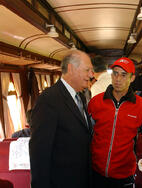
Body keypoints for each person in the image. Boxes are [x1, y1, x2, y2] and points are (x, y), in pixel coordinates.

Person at [29, 50, 94, 188]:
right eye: (87, 70)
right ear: (71, 68)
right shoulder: (49, 99)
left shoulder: (81, 97)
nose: (91, 75)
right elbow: (39, 152)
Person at [88, 57, 142, 188]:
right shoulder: (95, 103)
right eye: (115, 73)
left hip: (125, 175)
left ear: (132, 78)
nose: (118, 79)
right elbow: (86, 133)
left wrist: (137, 151)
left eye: (124, 75)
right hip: (96, 172)